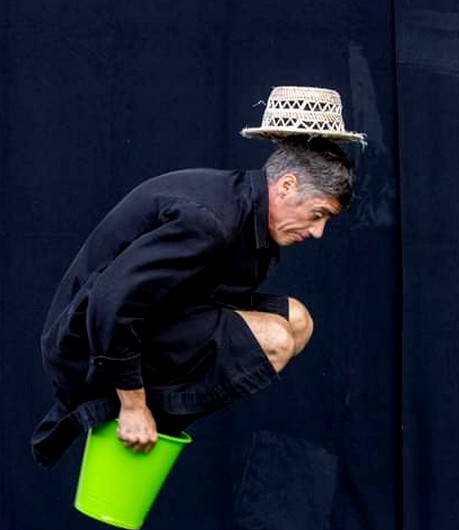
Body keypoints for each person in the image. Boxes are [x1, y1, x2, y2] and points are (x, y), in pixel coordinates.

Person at [32, 86, 365, 467]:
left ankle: (155, 419)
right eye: (318, 214)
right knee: (273, 339)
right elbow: (110, 301)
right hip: (85, 345)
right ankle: (134, 422)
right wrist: (133, 404)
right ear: (287, 185)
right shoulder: (210, 221)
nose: (318, 232)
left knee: (298, 321)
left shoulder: (249, 209)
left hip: (160, 316)